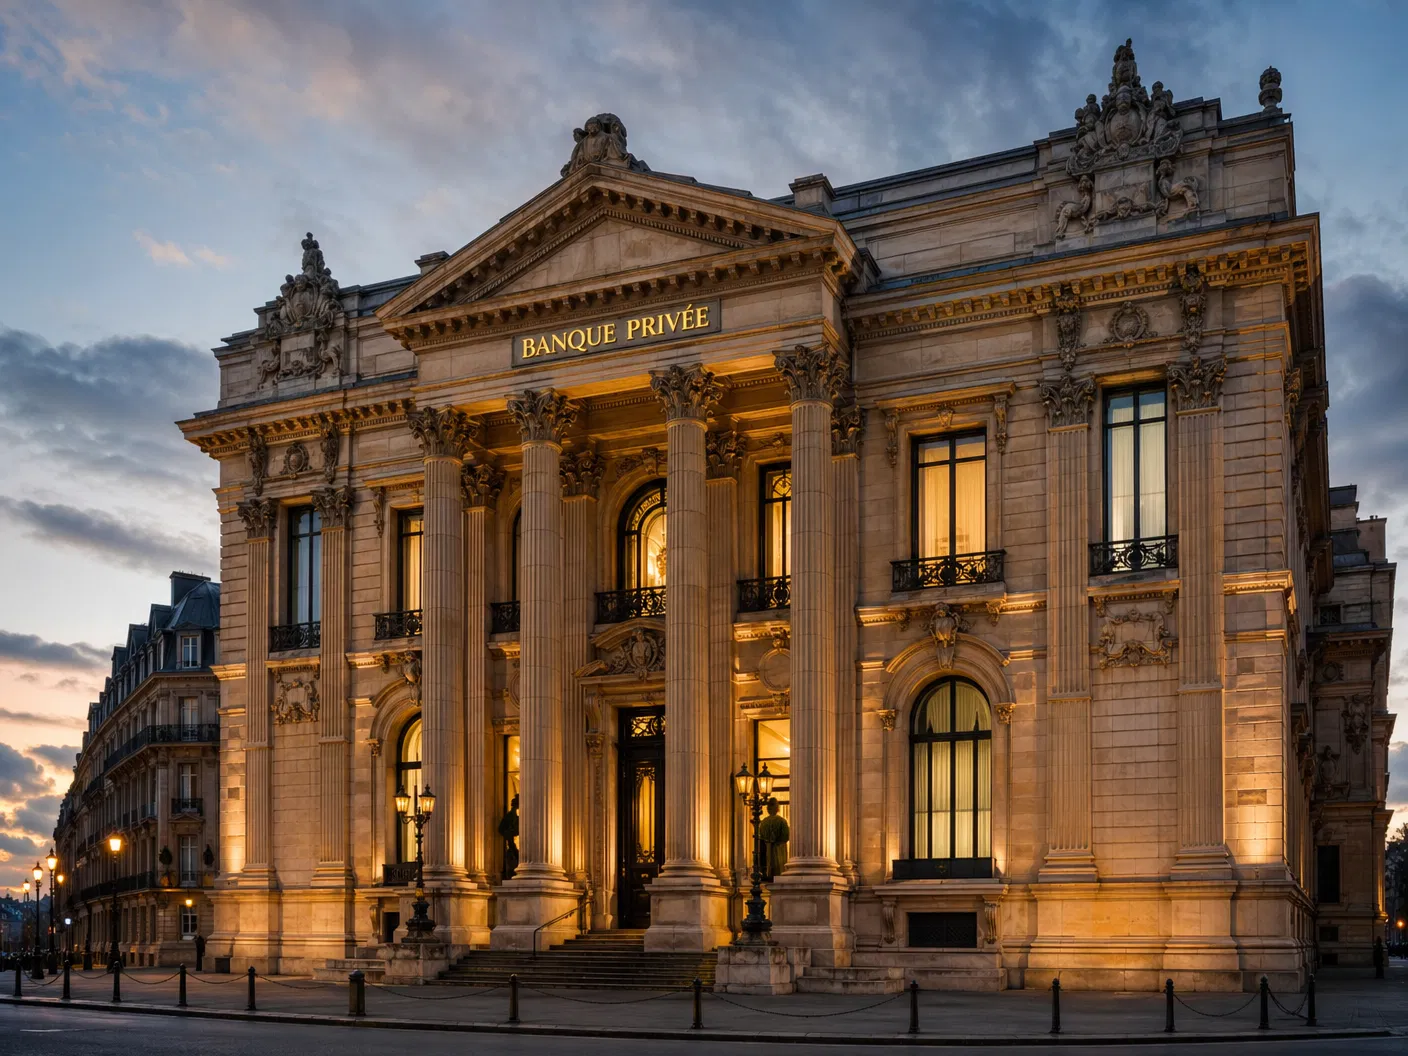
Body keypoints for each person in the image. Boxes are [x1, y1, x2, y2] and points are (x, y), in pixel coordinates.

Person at [758, 797, 790, 882]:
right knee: (779, 868)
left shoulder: (763, 822)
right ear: (777, 808)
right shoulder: (782, 821)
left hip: (766, 850)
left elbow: (760, 837)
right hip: (779, 849)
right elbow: (786, 836)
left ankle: (768, 875)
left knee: (770, 866)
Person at [498, 794, 520, 879]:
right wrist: (509, 834)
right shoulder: (510, 816)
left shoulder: (516, 817)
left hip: (512, 844)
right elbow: (501, 829)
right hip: (511, 845)